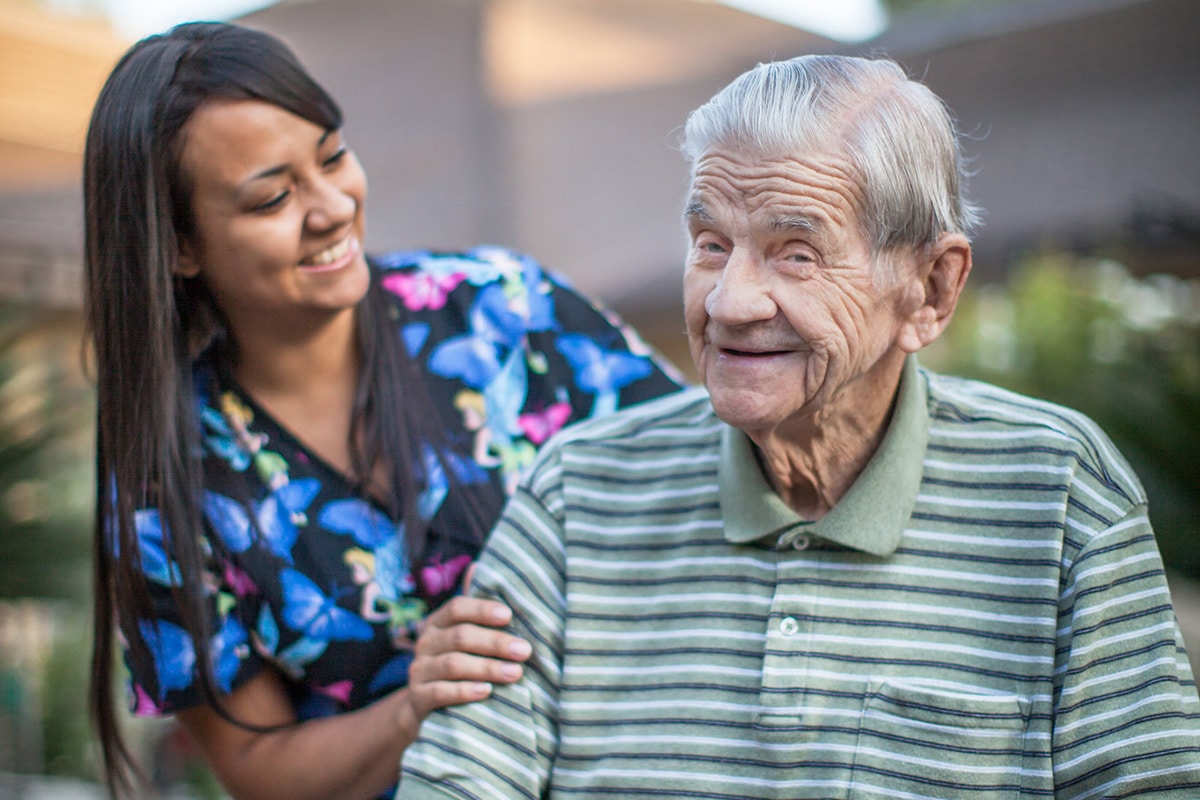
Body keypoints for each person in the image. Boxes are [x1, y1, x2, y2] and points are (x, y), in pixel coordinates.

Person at [395, 54, 1200, 799]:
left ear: (930, 289)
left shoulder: (1056, 491)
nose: (728, 302)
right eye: (711, 244)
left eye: (797, 254)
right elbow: (464, 779)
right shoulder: (576, 491)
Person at [83, 21, 682, 800]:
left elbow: (712, 467)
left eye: (333, 156)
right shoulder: (165, 483)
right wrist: (416, 705)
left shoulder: (505, 312)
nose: (331, 207)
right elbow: (258, 770)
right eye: (272, 197)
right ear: (177, 246)